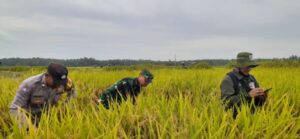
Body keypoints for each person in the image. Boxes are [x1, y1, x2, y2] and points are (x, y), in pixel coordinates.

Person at [9, 63, 76, 128]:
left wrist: (67, 107)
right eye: (56, 83)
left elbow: (72, 91)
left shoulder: (64, 83)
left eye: (61, 83)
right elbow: (14, 108)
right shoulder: (29, 85)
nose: (58, 86)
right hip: (29, 119)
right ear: (47, 76)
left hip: (49, 119)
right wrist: (30, 128)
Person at [220, 52, 267, 118]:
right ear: (239, 66)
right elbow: (226, 102)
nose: (250, 69)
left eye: (251, 66)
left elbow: (257, 103)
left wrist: (261, 97)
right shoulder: (228, 79)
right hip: (235, 120)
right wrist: (248, 95)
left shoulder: (251, 78)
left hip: (252, 118)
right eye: (248, 66)